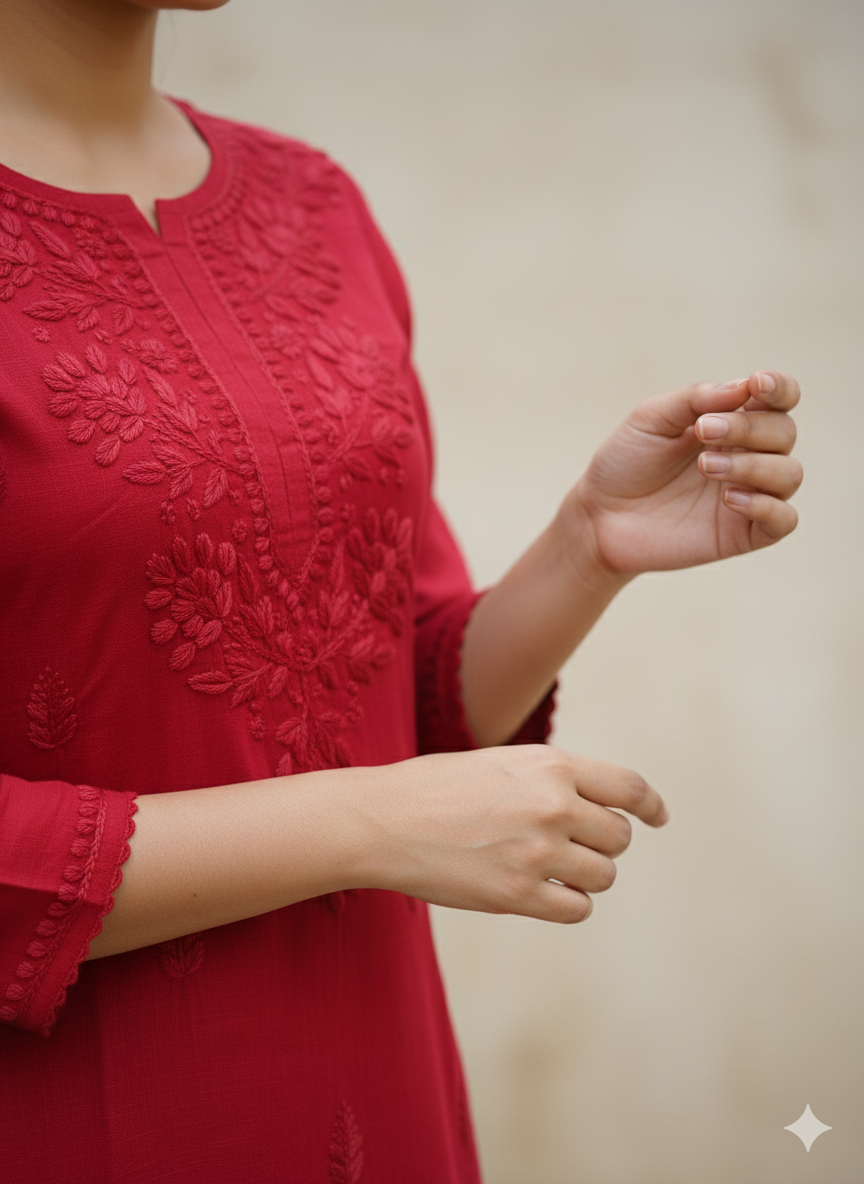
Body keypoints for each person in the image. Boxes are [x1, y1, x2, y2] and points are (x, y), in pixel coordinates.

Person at [0, 1, 803, 1181]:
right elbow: (389, 796)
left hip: (384, 1100)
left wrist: (587, 544)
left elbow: (396, 703)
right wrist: (368, 823)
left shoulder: (311, 203)